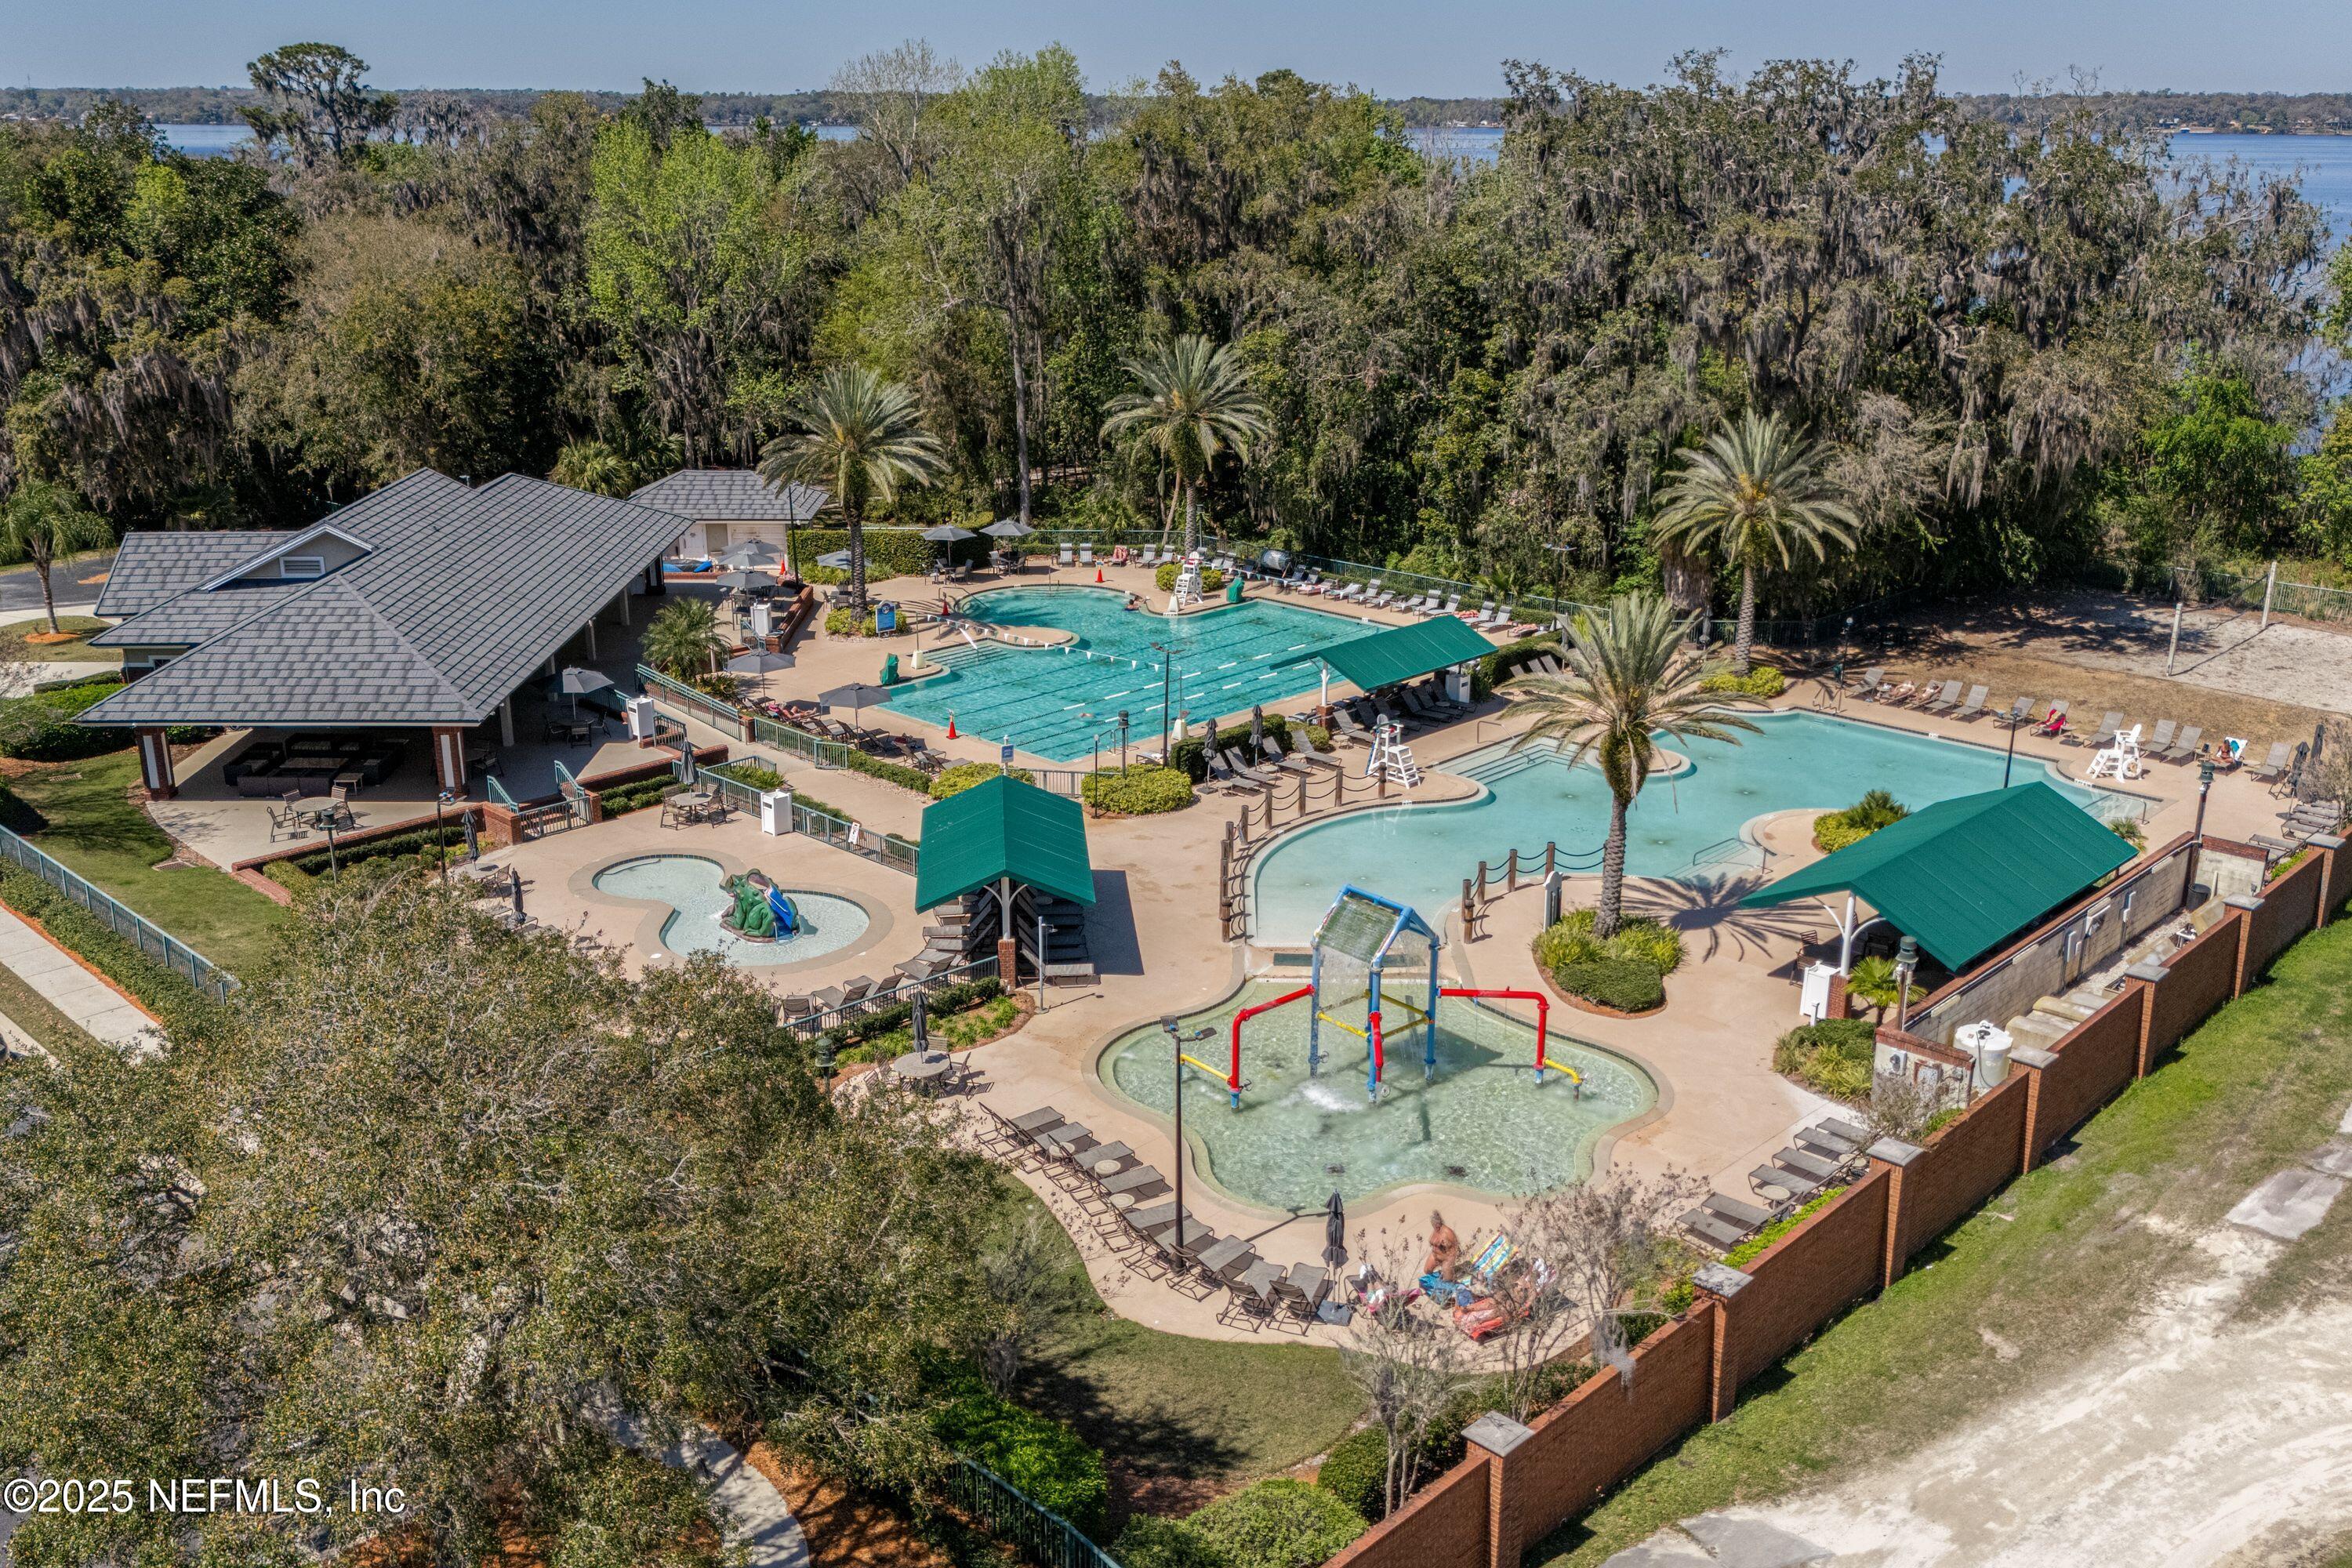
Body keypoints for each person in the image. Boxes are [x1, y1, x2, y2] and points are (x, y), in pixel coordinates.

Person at [1422, 1211, 1462, 1282]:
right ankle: (1436, 1283)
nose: (1435, 1227)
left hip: (1446, 1259)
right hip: (1435, 1255)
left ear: (1439, 1223)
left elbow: (1455, 1245)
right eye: (1433, 1225)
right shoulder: (1436, 1230)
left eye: (1436, 1225)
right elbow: (1432, 1240)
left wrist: (1447, 1244)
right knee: (1427, 1270)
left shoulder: (1447, 1232)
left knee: (1448, 1280)